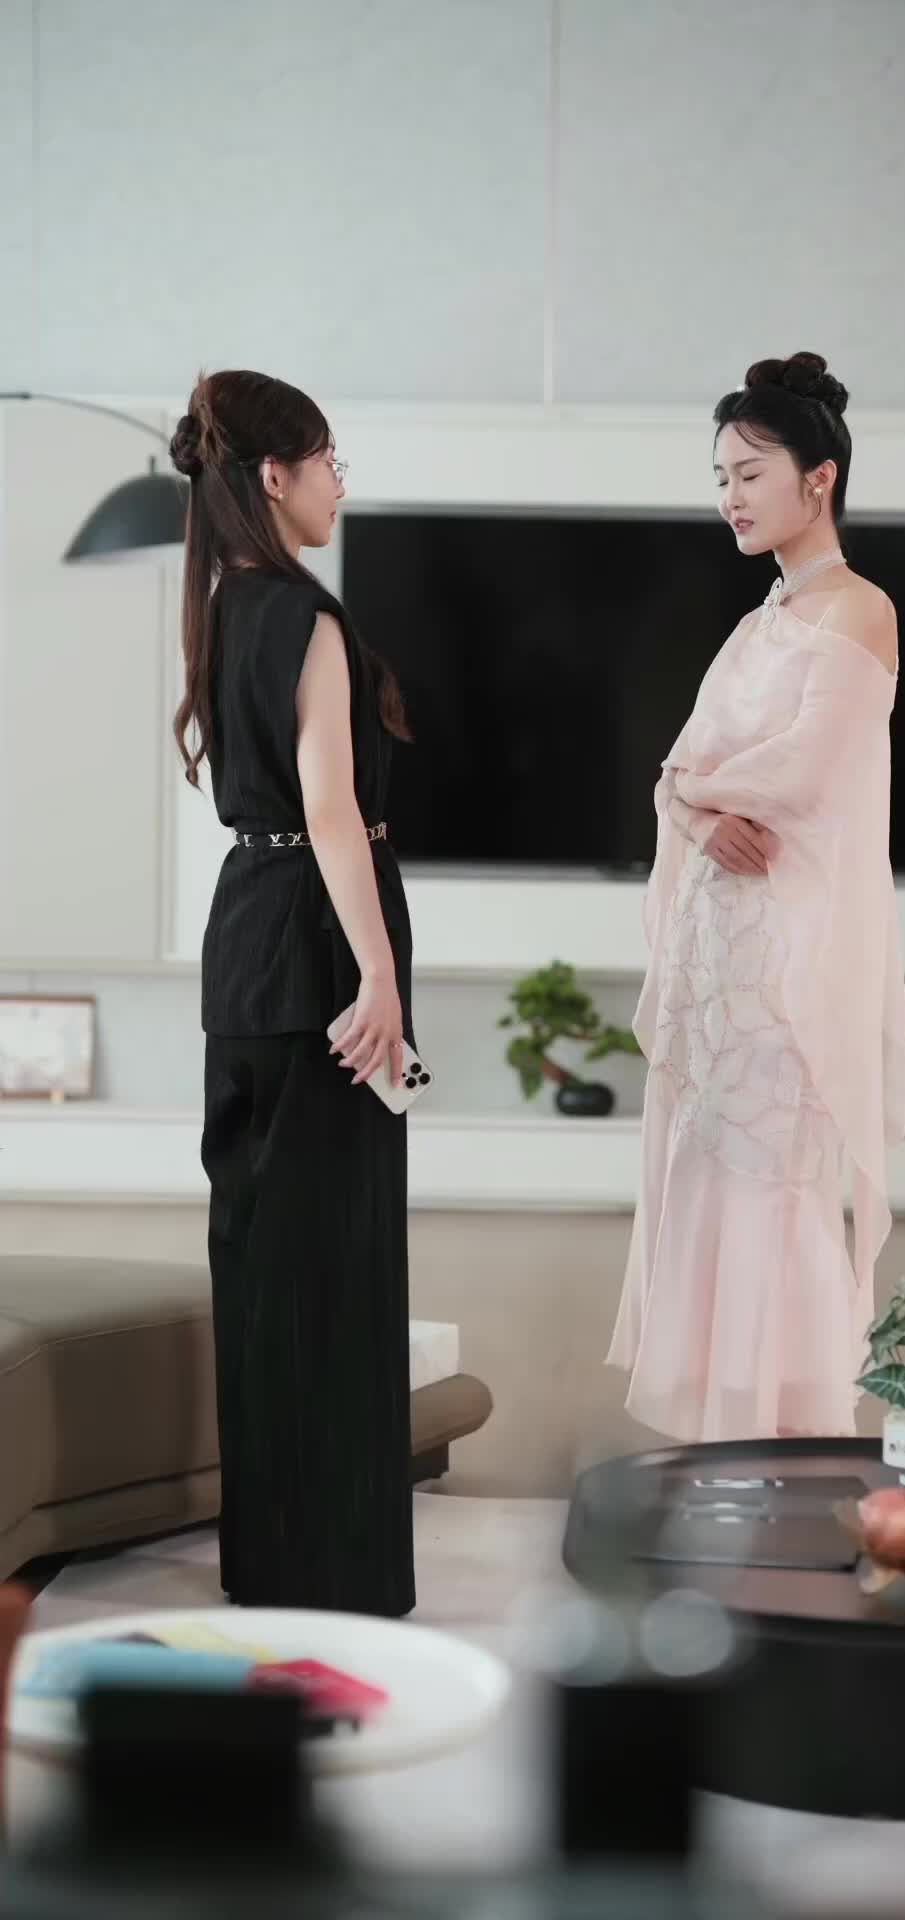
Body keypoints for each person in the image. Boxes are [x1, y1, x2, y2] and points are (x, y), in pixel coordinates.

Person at [606, 352, 905, 1443]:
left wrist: (690, 790)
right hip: (718, 964)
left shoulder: (861, 610)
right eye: (721, 478)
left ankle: (785, 1460)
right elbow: (674, 778)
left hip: (785, 969)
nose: (729, 498)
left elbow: (799, 772)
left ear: (817, 478)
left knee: (773, 1198)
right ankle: (720, 1467)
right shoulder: (756, 624)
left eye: (749, 474)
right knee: (711, 1187)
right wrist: (692, 806)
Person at [171, 369, 415, 1613]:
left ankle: (266, 1565)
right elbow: (332, 809)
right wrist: (378, 973)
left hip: (245, 949)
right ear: (275, 475)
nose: (338, 485)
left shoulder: (221, 607)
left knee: (260, 1266)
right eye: (328, 462)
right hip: (318, 952)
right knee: (337, 1269)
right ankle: (339, 1577)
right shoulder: (307, 618)